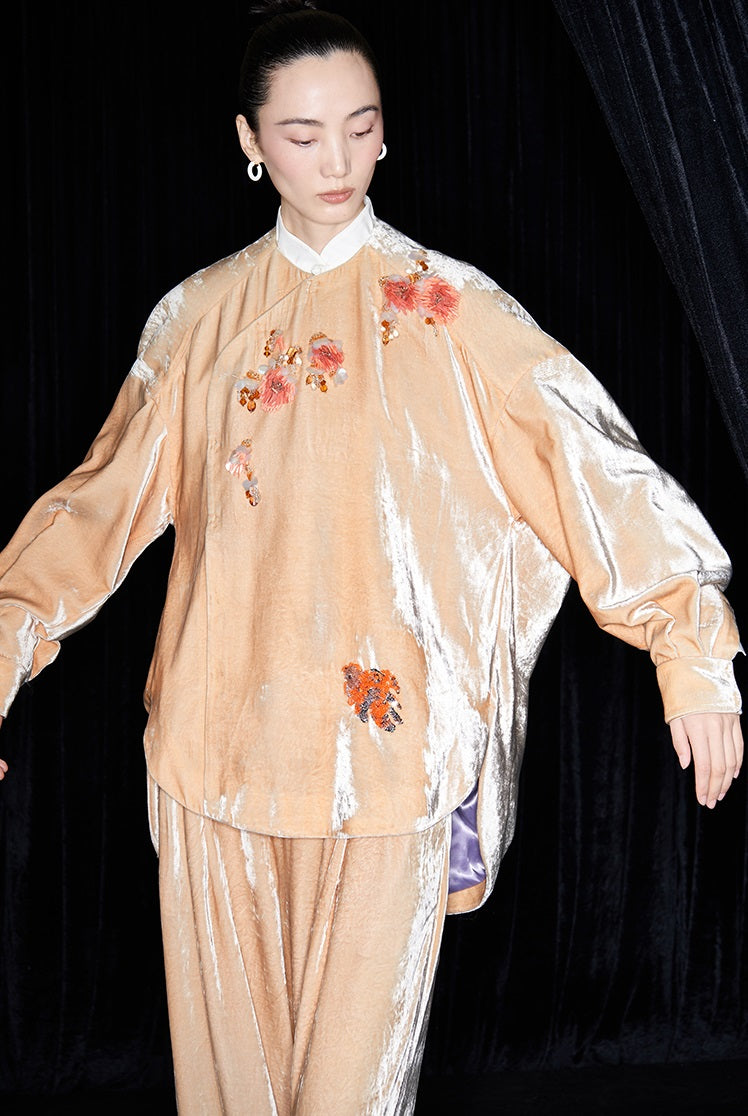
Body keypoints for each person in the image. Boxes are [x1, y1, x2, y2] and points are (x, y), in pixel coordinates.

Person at [0, 1, 743, 1112]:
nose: (338, 160)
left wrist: (690, 648)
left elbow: (586, 463)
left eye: (361, 125)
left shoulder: (451, 312)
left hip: (385, 768)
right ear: (251, 143)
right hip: (216, 753)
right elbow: (92, 512)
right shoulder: (197, 320)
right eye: (303, 135)